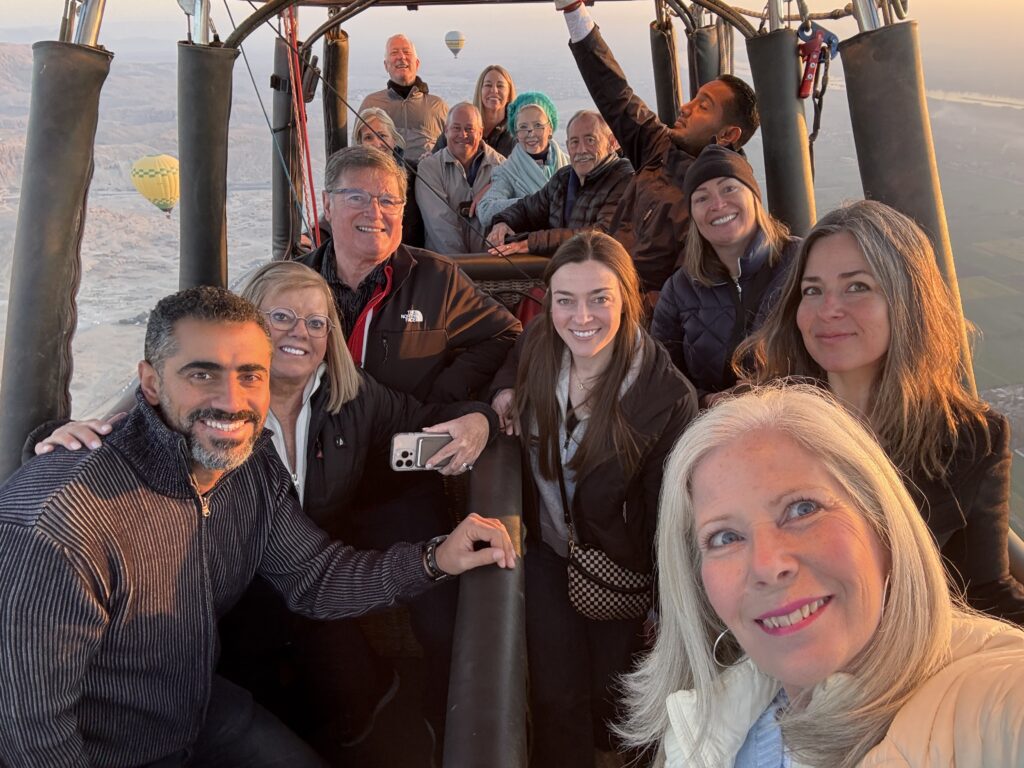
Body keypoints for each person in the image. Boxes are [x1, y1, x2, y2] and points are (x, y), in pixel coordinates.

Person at [0, 285, 516, 767]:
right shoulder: (60, 528)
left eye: (250, 374)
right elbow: (31, 734)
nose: (232, 400)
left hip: (200, 706)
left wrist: (434, 559)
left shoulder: (249, 463)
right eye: (202, 374)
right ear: (152, 382)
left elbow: (316, 576)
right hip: (113, 748)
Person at [616, 385, 1024, 767]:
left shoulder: (986, 697)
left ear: (883, 527)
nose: (767, 566)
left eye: (802, 509)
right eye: (725, 537)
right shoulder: (708, 720)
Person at [739, 200, 1024, 623]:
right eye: (812, 290)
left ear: (908, 301)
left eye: (857, 287)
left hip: (911, 663)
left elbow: (982, 590)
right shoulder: (768, 426)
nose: (828, 309)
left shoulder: (971, 438)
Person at [489, 232, 698, 767]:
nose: (581, 317)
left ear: (627, 298)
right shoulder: (539, 343)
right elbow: (513, 357)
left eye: (600, 298)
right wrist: (503, 393)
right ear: (549, 302)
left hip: (619, 566)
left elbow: (667, 514)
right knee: (555, 690)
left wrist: (664, 600)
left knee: (615, 689)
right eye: (565, 300)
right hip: (545, 552)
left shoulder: (667, 398)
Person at [555, 0, 759, 293]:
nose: (686, 107)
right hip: (604, 291)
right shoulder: (661, 146)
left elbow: (687, 298)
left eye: (703, 106)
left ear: (728, 134)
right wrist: (574, 11)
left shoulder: (720, 207)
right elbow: (615, 94)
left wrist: (619, 310)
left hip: (637, 321)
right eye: (694, 98)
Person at [301, 144, 519, 403]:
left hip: (402, 438)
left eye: (387, 201)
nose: (374, 213)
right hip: (307, 440)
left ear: (403, 211)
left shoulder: (437, 279)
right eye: (356, 197)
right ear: (327, 204)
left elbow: (505, 334)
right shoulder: (293, 284)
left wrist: (445, 394)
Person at [651, 145, 799, 405]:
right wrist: (707, 400)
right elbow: (661, 374)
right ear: (693, 215)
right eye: (702, 198)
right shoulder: (679, 289)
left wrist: (775, 389)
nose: (718, 204)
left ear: (754, 195)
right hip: (715, 430)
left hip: (795, 419)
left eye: (729, 188)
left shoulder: (801, 262)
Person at [486, 110, 632, 257]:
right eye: (575, 142)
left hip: (603, 276)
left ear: (612, 143)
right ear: (567, 146)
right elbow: (528, 208)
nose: (581, 150)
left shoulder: (625, 179)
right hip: (562, 274)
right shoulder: (563, 178)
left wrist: (532, 243)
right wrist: (503, 223)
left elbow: (601, 235)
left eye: (590, 140)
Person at [416, 103, 506, 254]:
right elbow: (440, 225)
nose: (463, 135)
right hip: (446, 268)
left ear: (480, 132)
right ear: (446, 131)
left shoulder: (503, 167)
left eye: (469, 129)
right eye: (456, 128)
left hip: (492, 267)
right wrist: (465, 268)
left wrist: (494, 187)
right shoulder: (429, 168)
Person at [476, 91, 569, 229]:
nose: (530, 133)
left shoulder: (570, 165)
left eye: (538, 125)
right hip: (529, 247)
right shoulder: (507, 171)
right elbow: (485, 210)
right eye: (523, 127)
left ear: (550, 128)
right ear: (516, 133)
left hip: (569, 245)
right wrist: (531, 203)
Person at [358, 34, 448, 163]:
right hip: (384, 179)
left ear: (417, 63)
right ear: (386, 65)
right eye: (394, 53)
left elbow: (450, 150)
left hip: (427, 180)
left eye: (406, 52)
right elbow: (357, 150)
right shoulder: (371, 104)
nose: (401, 57)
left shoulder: (437, 106)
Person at [352, 106, 424, 247]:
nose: (376, 143)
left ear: (393, 139)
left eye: (382, 136)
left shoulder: (415, 172)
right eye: (368, 137)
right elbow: (338, 207)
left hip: (411, 256)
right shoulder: (352, 179)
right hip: (370, 251)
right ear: (360, 144)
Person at [435, 64, 518, 158]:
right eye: (488, 85)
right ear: (480, 91)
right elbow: (436, 157)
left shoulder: (516, 133)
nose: (494, 90)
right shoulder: (460, 121)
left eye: (500, 86)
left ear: (509, 93)